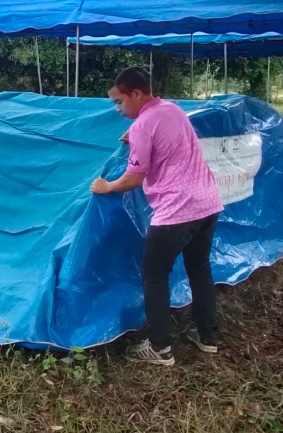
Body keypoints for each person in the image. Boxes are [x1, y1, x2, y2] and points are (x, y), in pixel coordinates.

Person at [89, 67, 223, 366]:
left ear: (136, 93)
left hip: (177, 210)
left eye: (119, 102)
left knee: (153, 274)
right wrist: (136, 134)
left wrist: (108, 186)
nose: (117, 108)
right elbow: (160, 135)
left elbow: (134, 178)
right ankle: (208, 336)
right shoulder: (172, 110)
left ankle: (160, 347)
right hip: (207, 202)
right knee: (199, 268)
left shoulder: (143, 126)